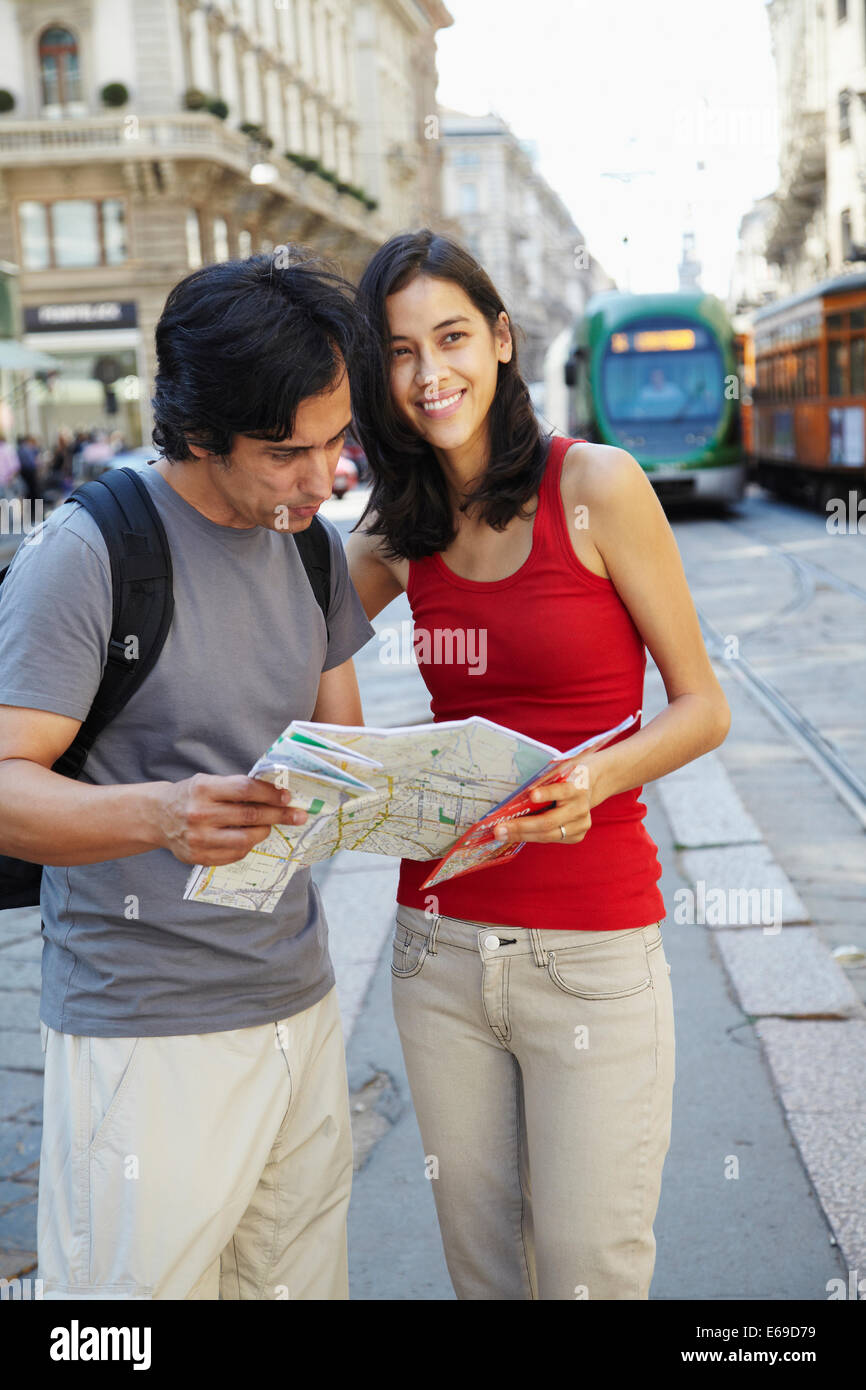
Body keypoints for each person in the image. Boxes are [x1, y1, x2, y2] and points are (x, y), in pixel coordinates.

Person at [346, 229, 730, 1301]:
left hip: (592, 949)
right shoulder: (397, 529)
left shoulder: (596, 484)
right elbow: (284, 641)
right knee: (486, 1278)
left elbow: (702, 707)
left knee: (584, 1274)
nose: (430, 373)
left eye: (452, 337)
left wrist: (594, 778)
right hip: (436, 949)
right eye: (398, 351)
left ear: (502, 339)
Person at [0, 251, 375, 1299]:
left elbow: (343, 753)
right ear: (201, 433)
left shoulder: (311, 548)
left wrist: (443, 791)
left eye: (337, 442)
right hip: (144, 1032)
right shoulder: (91, 551)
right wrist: (161, 813)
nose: (321, 480)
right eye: (287, 453)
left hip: (298, 1003)